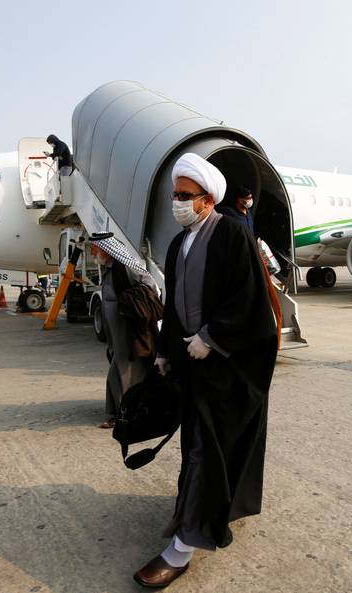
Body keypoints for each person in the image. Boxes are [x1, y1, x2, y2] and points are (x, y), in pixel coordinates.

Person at [133, 154, 278, 588]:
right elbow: (174, 306)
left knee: (204, 450)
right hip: (191, 365)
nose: (177, 203)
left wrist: (212, 337)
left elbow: (249, 299)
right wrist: (164, 351)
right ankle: (201, 513)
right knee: (198, 447)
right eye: (174, 196)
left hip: (227, 367)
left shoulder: (232, 233)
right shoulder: (180, 243)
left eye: (185, 196)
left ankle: (182, 547)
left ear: (208, 199)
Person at [90, 233, 161, 429]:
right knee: (122, 369)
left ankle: (119, 414)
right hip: (115, 332)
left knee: (122, 371)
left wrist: (129, 302)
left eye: (94, 248)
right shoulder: (109, 268)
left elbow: (149, 285)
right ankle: (123, 412)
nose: (92, 252)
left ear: (106, 249)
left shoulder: (124, 266)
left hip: (128, 329)